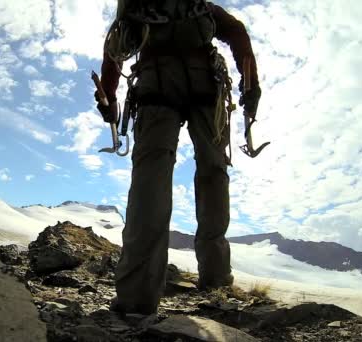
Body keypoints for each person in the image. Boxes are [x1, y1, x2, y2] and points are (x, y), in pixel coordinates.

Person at [96, 0, 262, 315]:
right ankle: (214, 280)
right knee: (208, 177)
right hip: (195, 90)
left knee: (151, 184)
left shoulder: (136, 9)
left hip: (160, 90)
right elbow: (236, 32)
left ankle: (138, 296)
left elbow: (114, 51)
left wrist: (110, 95)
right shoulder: (202, 9)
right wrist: (249, 81)